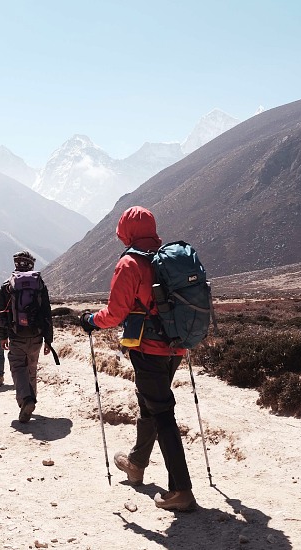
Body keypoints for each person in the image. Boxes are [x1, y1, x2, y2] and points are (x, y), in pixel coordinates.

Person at [80, 206, 196, 512]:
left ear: (126, 231)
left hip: (148, 349)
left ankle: (181, 490)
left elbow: (115, 313)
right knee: (151, 404)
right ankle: (136, 463)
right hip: (176, 346)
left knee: (162, 412)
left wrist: (91, 320)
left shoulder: (130, 263)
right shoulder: (167, 259)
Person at [0, 250, 54, 423]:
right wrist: (48, 340)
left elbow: (1, 313)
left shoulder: (8, 285)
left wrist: (2, 335)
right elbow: (46, 313)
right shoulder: (39, 284)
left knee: (18, 367)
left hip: (16, 335)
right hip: (36, 336)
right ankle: (31, 400)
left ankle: (26, 400)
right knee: (31, 368)